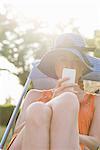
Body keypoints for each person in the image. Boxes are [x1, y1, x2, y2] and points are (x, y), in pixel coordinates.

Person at [7, 33, 100, 150]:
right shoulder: (34, 94)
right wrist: (53, 101)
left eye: (76, 61)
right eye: (63, 60)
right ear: (55, 66)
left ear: (83, 69)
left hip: (72, 145)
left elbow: (95, 142)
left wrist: (68, 134)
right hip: (25, 143)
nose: (70, 65)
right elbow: (19, 131)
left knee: (67, 100)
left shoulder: (95, 100)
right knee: (38, 108)